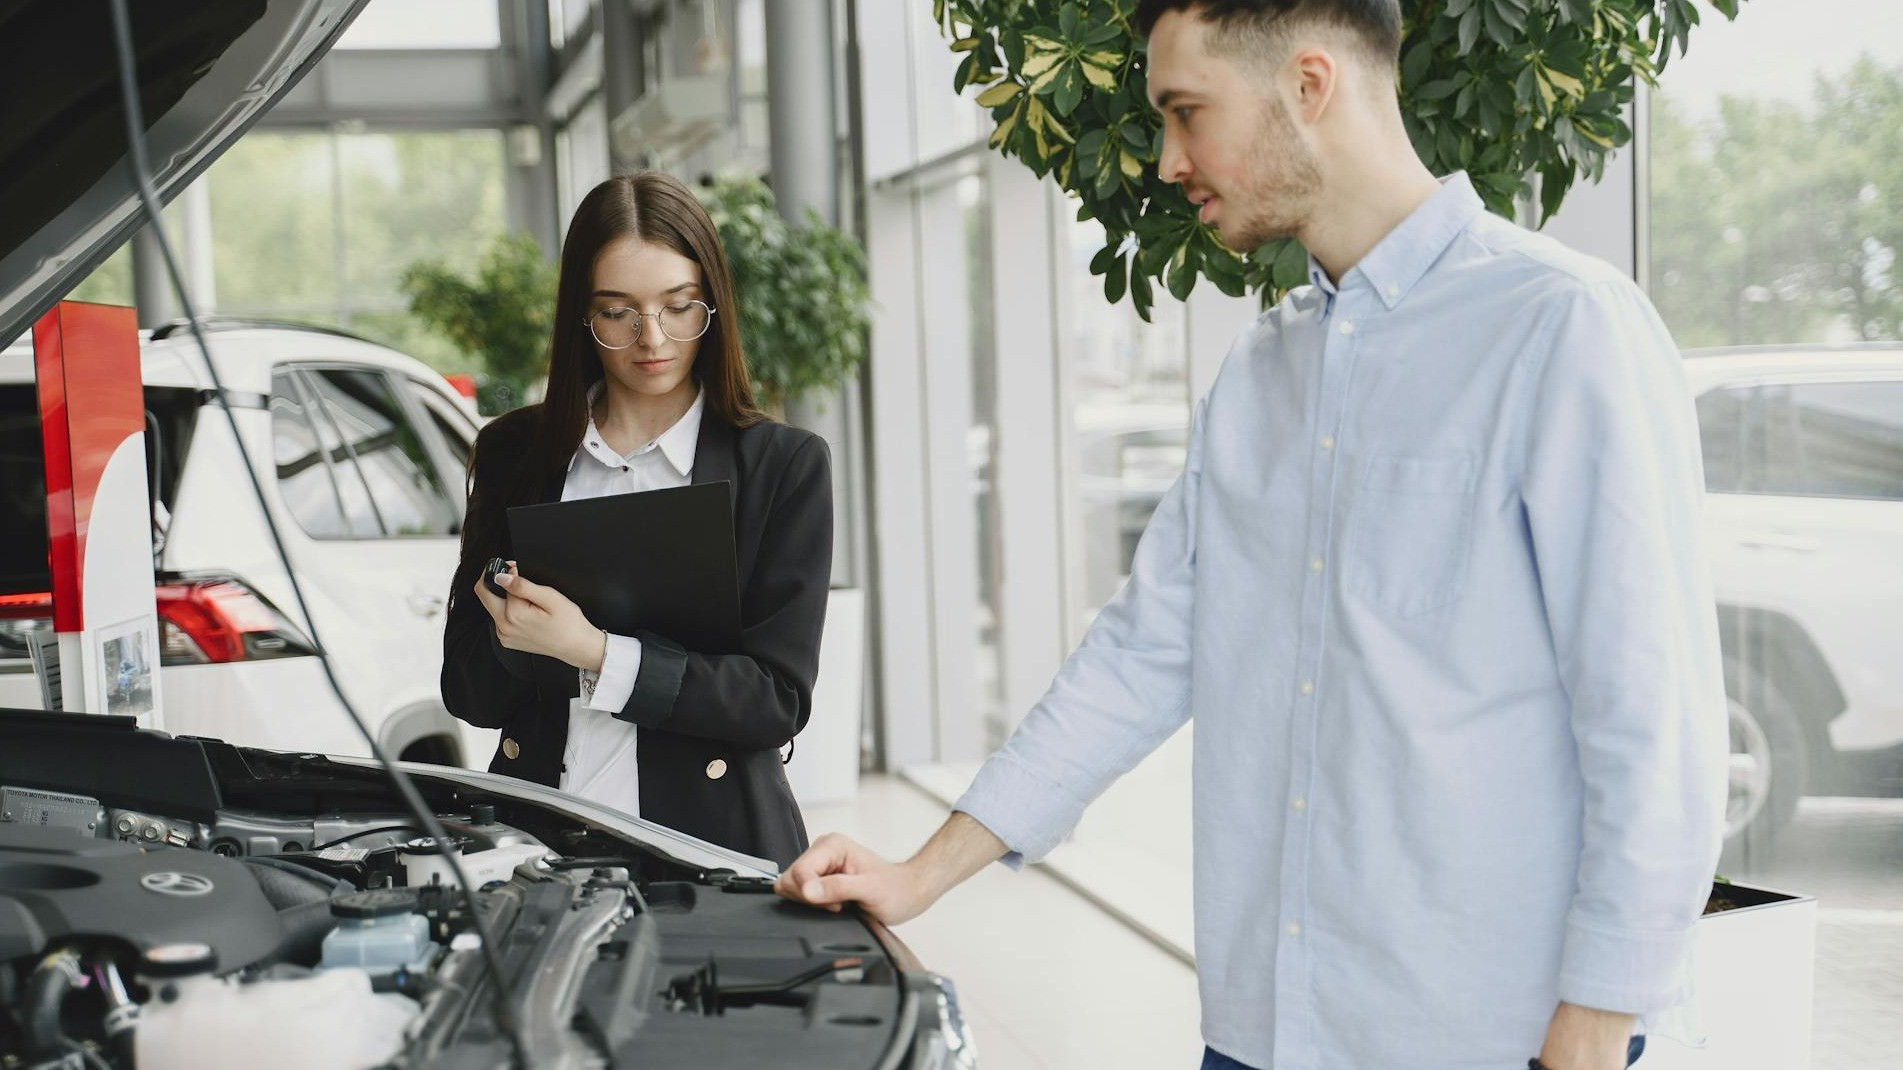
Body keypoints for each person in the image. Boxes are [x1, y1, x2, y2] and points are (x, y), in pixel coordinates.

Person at [775, 2, 1727, 1068]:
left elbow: (1654, 721)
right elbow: (1139, 654)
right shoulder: (1261, 371)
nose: (1170, 160)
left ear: (1308, 85)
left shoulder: (1561, 327)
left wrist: (1595, 1026)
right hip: (1267, 1025)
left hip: (1490, 1034)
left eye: (1187, 112)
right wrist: (919, 871)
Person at [442, 170, 832, 868]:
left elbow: (775, 699)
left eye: (679, 306)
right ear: (581, 318)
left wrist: (593, 652)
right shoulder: (515, 454)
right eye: (617, 312)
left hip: (712, 849)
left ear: (711, 303)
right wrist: (515, 635)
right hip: (534, 846)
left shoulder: (782, 465)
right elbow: (467, 690)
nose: (652, 338)